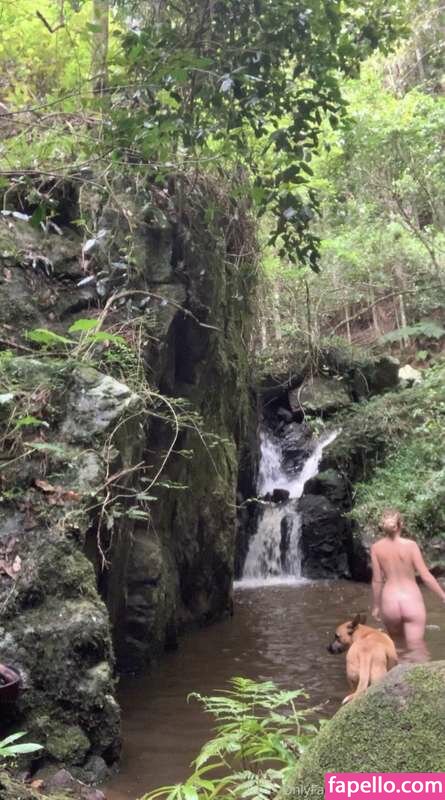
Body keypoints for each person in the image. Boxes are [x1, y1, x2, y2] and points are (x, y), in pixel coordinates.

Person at [371, 508, 445, 660]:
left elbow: (377, 580)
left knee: (397, 647)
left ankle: (398, 674)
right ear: (401, 524)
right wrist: (442, 595)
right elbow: (425, 576)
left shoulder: (376, 548)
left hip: (390, 601)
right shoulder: (411, 545)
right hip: (411, 600)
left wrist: (376, 606)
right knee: (417, 647)